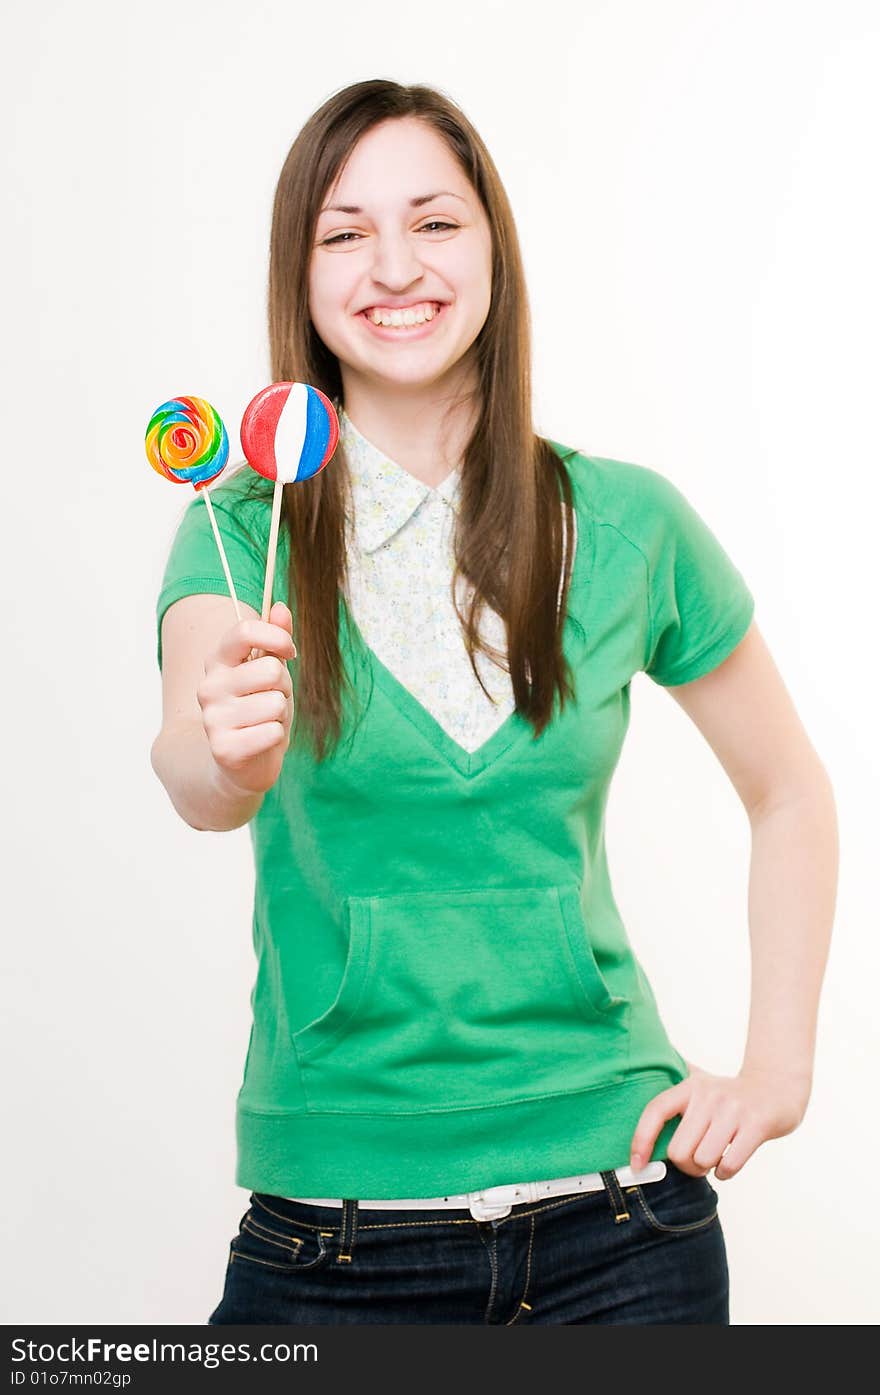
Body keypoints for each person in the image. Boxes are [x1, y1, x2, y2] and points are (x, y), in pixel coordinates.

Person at [151, 80, 835, 1325]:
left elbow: (788, 791)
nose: (393, 266)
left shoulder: (629, 521)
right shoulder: (238, 531)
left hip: (626, 1227)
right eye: (343, 232)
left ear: (494, 250)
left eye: (435, 222)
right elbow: (192, 769)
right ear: (298, 275)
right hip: (331, 1246)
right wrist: (224, 751)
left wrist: (779, 1070)